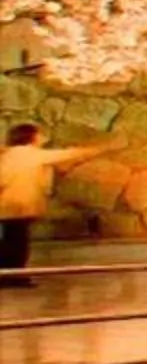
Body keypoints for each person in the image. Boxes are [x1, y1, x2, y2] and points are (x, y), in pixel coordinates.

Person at [0, 123, 114, 287]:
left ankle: (12, 275)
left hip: (11, 207)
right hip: (17, 207)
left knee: (13, 241)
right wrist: (100, 148)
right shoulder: (28, 155)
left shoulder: (11, 155)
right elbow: (68, 154)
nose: (42, 137)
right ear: (30, 136)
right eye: (38, 134)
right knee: (16, 244)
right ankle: (12, 277)